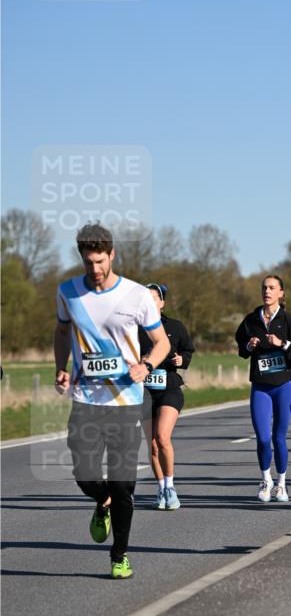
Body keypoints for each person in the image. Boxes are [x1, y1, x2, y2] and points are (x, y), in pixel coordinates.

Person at [54, 223, 170, 579]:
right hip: (86, 401)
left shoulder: (136, 295)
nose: (95, 269)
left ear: (112, 255)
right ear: (81, 258)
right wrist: (61, 367)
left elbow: (162, 342)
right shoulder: (68, 292)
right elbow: (61, 331)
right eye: (89, 262)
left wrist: (146, 364)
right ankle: (100, 499)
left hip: (125, 401)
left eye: (101, 261)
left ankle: (119, 556)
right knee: (84, 475)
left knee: (123, 485)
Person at [235, 275, 291, 502]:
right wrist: (248, 346)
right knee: (262, 437)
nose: (267, 291)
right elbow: (241, 346)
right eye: (264, 288)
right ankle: (265, 480)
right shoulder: (251, 320)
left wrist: (282, 344)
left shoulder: (288, 321)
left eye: (272, 288)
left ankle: (281, 484)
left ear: (281, 293)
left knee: (279, 437)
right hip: (260, 387)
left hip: (284, 385)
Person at [139, 283, 195, 510]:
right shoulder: (134, 329)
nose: (150, 302)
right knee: (151, 444)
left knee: (162, 437)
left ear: (162, 303)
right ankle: (161, 488)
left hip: (169, 388)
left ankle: (171, 488)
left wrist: (183, 360)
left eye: (154, 298)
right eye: (146, 298)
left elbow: (188, 350)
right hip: (143, 391)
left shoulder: (175, 327)